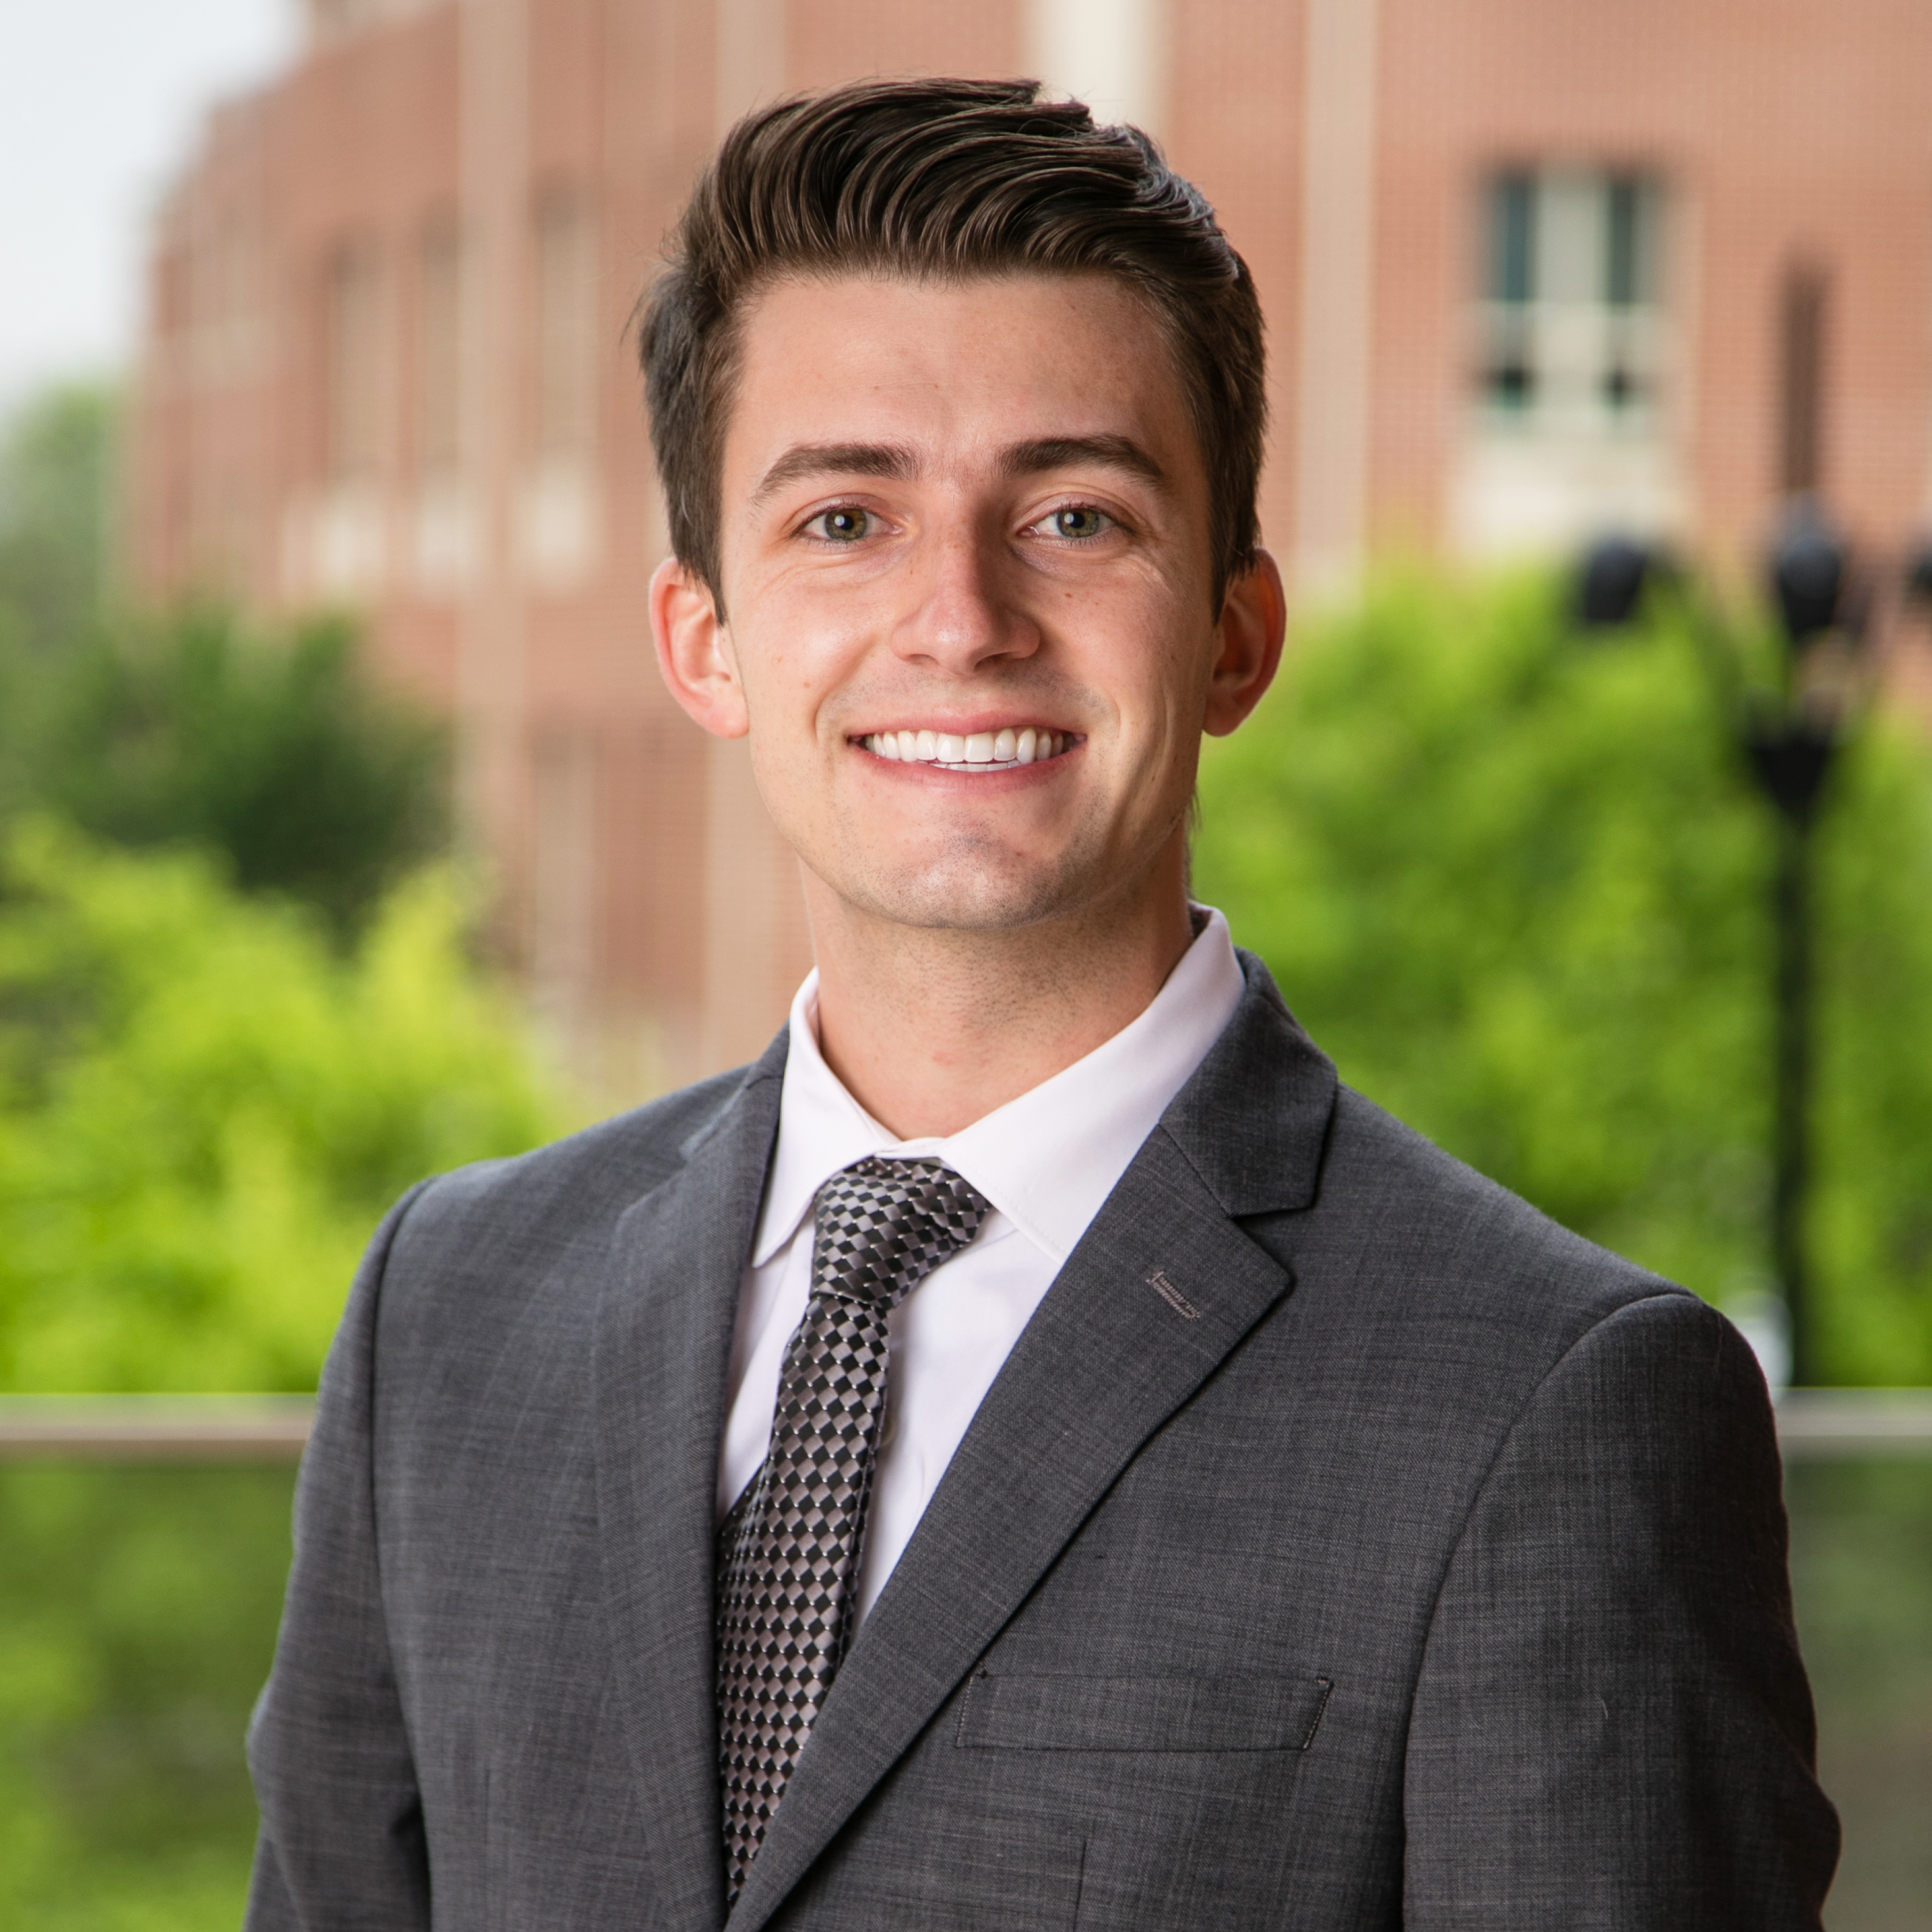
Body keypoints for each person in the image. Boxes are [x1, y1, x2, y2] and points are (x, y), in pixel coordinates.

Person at [245, 77, 1838, 1930]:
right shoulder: (449, 1312)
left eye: (1076, 517)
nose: (962, 619)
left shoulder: (1556, 1410)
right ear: (706, 643)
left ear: (1237, 635)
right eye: (844, 520)